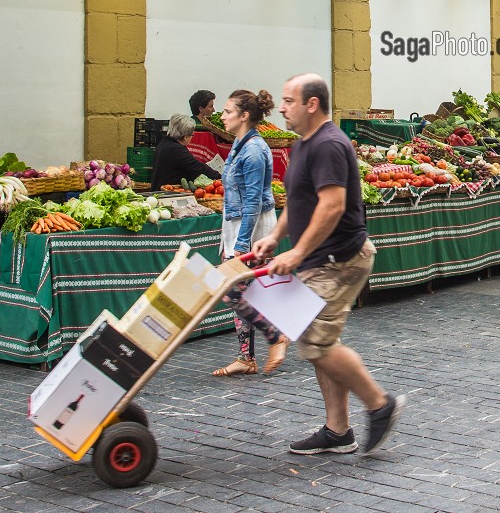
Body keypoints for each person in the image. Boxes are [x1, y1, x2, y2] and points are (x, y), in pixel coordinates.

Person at [250, 74, 404, 455]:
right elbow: (299, 202)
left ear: (312, 104)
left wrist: (298, 253)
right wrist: (275, 237)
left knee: (316, 344)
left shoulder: (330, 144)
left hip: (341, 260)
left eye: (288, 101)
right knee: (319, 340)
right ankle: (338, 431)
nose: (282, 107)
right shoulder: (303, 145)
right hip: (321, 259)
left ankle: (380, 404)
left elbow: (332, 205)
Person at [212, 89, 288, 379]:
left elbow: (254, 202)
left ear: (244, 116)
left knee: (231, 292)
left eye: (228, 111)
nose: (222, 115)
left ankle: (275, 335)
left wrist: (240, 245)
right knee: (245, 292)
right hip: (237, 226)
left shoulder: (254, 150)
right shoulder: (239, 144)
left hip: (253, 230)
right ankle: (246, 358)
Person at [148, 114, 222, 191]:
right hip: (168, 192)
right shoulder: (176, 150)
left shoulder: (164, 143)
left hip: (158, 188)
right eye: (192, 135)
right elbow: (197, 167)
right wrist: (219, 177)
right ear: (185, 137)